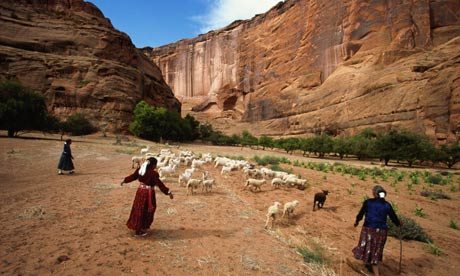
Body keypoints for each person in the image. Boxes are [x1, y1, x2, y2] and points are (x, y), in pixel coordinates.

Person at [352, 185, 401, 276]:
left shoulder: (368, 202)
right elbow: (393, 217)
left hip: (369, 229)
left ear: (374, 193)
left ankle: (376, 272)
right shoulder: (387, 205)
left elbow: (361, 213)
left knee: (367, 246)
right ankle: (369, 263)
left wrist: (357, 221)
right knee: (376, 249)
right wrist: (398, 224)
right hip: (382, 231)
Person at [120, 157, 174, 236]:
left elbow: (133, 177)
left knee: (138, 208)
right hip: (148, 193)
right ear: (153, 165)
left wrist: (124, 180)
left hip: (140, 192)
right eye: (155, 164)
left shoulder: (141, 170)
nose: (156, 166)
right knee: (148, 209)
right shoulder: (153, 174)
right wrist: (168, 192)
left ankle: (137, 227)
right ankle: (141, 229)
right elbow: (159, 184)